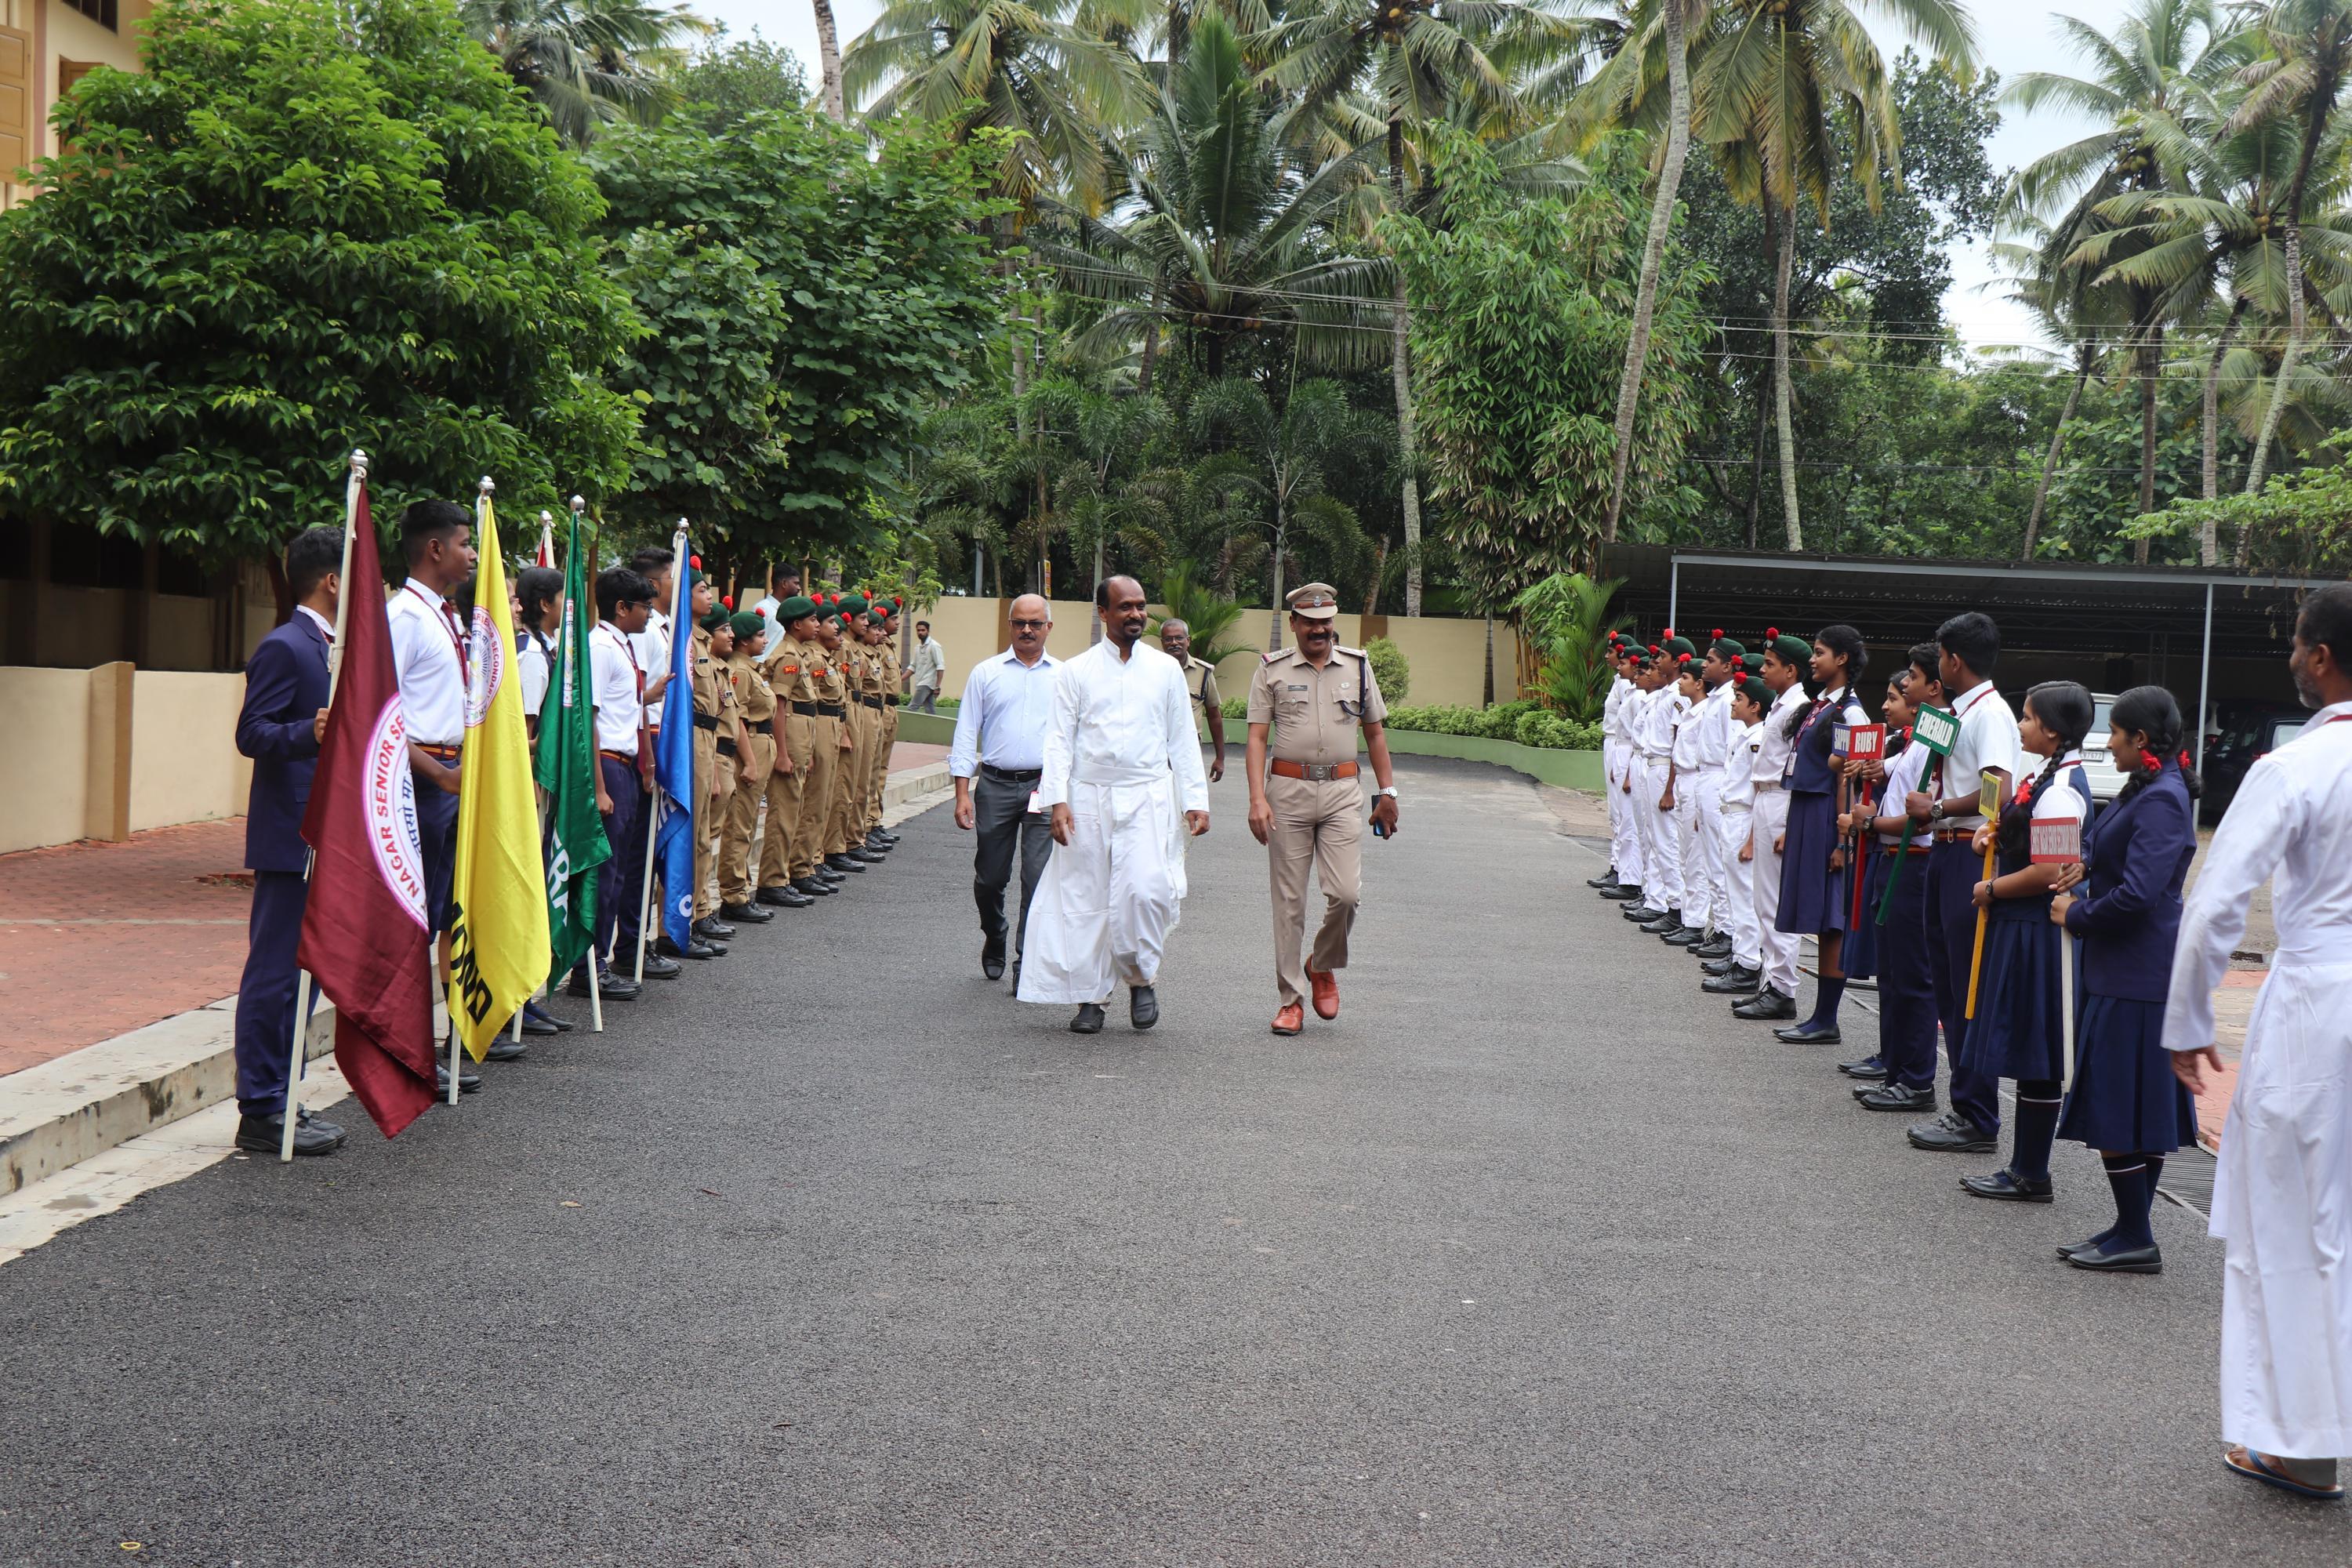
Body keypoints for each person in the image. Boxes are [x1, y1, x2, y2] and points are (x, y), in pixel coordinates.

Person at [2165, 583, 2352, 1501]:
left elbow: (2212, 908)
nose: (2290, 658)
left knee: (2294, 1218)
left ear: (2320, 656)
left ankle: (2301, 1441)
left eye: (2295, 645)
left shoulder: (2302, 764)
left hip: (2321, 1003)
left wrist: (2189, 1022)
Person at [2049, 684, 2201, 1271]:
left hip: (2137, 973)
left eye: (2115, 733)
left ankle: (2137, 1234)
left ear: (2141, 739)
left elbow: (2140, 893)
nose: (2106, 743)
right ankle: (2129, 1227)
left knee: (2123, 1102)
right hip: (2129, 969)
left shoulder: (2161, 799)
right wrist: (2085, 862)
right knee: (2135, 1104)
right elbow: (2116, 852)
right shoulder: (2152, 790)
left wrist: (2078, 913)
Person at [1018, 575, 1210, 1033]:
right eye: (1125, 607)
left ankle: (1141, 978)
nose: (1136, 615)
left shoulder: (1165, 670)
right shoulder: (1076, 671)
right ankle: (1091, 997)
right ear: (1103, 613)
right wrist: (1057, 801)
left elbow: (1182, 739)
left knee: (1145, 893)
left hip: (1149, 796)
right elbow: (1059, 741)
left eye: (1141, 607)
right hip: (1088, 798)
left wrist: (1194, 800)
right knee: (1088, 900)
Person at [230, 526, 347, 1156]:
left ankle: (282, 1094)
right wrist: (310, 729)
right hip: (290, 835)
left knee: (304, 975)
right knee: (275, 974)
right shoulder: (287, 645)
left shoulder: (331, 646)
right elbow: (253, 733)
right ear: (332, 580)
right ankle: (261, 1107)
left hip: (325, 833)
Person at [1955, 681, 2094, 1203]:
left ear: (2053, 730)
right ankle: (2023, 1167)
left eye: (2029, 718)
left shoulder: (2060, 789)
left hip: (2038, 933)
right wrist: (1995, 835)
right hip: (2021, 927)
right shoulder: (2046, 777)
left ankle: (2031, 1171)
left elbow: (2050, 869)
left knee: (2038, 1053)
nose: (2020, 726)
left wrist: (1990, 887)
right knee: (2029, 1049)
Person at [1244, 582, 1400, 1035]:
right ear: (1294, 624)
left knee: (1347, 894)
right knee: (1289, 903)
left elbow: (1374, 734)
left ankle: (1322, 963)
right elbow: (1256, 737)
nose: (1319, 630)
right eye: (1310, 623)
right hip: (1287, 793)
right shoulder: (1270, 670)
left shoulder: (1357, 665)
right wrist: (1257, 799)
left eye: (1326, 622)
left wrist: (1388, 794)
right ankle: (1290, 1000)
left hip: (1341, 792)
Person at [387, 499, 495, 1091]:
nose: (472, 553)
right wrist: (439, 773)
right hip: (428, 784)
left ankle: (443, 1034)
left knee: (449, 913)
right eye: (464, 543)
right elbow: (378, 718)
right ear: (435, 550)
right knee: (417, 920)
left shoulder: (447, 616)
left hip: (456, 778)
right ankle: (406, 1046)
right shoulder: (404, 616)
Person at [1904, 612, 2023, 1155]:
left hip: (1970, 853)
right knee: (1948, 983)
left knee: (1967, 986)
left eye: (1941, 655)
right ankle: (1963, 1105)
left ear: (1954, 660)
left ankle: (1977, 1114)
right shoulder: (1956, 712)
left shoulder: (1991, 714)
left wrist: (1941, 807)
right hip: (1944, 851)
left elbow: (1998, 788)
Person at [1848, 647, 1945, 1113]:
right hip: (1893, 858)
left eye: (1916, 676)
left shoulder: (1943, 730)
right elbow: (1904, 766)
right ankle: (1897, 1068)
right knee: (1892, 973)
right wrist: (1877, 767)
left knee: (1913, 976)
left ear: (1935, 686)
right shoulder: (1922, 731)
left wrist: (1869, 823)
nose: (1905, 685)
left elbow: (1923, 814)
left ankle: (1917, 1078)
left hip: (1914, 860)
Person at [1765, 626, 1870, 1044]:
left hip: (1830, 816)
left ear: (1841, 659)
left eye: (1820, 652)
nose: (1813, 659)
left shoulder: (1851, 712)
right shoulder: (1821, 705)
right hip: (1808, 810)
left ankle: (1827, 1018)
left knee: (1832, 919)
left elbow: (1852, 779)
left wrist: (1843, 843)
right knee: (1820, 919)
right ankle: (1820, 1017)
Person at [950, 593, 1061, 982]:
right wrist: (962, 792)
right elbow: (966, 733)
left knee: (1038, 877)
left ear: (1049, 627)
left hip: (1044, 788)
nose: (1026, 630)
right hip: (995, 785)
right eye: (1019, 623)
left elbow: (1076, 739)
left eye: (1035, 623)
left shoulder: (1065, 676)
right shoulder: (986, 673)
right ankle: (994, 934)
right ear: (1010, 626)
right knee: (990, 878)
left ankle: (1024, 962)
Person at [564, 567, 662, 1002]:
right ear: (621, 608)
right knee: (604, 874)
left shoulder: (623, 645)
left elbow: (628, 707)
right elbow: (591, 718)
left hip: (627, 766)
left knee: (620, 870)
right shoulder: (600, 647)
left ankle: (601, 959)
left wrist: (646, 763)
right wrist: (600, 788)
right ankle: (590, 966)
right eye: (644, 607)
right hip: (608, 767)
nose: (649, 614)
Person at [1732, 632, 1811, 1022]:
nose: (1761, 671)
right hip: (1765, 798)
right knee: (1764, 900)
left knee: (1776, 901)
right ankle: (1772, 981)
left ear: (1790, 670)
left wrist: (1790, 823)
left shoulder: (1801, 708)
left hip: (1782, 799)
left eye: (1769, 665)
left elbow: (1800, 766)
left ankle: (1783, 988)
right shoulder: (1783, 705)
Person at [1701, 674, 1769, 996]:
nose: (1733, 701)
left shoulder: (1759, 738)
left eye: (1739, 698)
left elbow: (1759, 792)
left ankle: (1748, 966)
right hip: (1732, 817)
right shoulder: (1745, 735)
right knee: (1735, 893)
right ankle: (1741, 958)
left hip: (1744, 820)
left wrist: (1752, 839)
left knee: (1745, 897)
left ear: (1755, 706)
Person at [752, 596, 819, 910]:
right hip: (789, 741)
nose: (817, 625)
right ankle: (773, 881)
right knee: (783, 813)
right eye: (813, 620)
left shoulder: (797, 654)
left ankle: (783, 876)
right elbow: (779, 706)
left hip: (800, 739)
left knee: (793, 810)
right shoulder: (787, 657)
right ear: (797, 624)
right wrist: (781, 753)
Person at [719, 611, 779, 922]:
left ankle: (740, 887)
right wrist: (751, 761)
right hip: (750, 745)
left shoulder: (750, 669)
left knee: (748, 821)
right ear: (745, 640)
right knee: (740, 824)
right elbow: (738, 719)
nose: (765, 640)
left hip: (761, 741)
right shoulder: (740, 671)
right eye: (759, 636)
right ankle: (733, 894)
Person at [1659, 652, 1712, 948]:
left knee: (1695, 858)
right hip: (1684, 779)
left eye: (1686, 678)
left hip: (1696, 779)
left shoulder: (1705, 712)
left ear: (1699, 683)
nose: (1681, 682)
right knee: (1684, 853)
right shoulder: (1691, 710)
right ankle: (1687, 917)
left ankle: (1694, 923)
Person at [1595, 637, 1646, 900]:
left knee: (1628, 817)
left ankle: (1629, 876)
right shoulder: (1622, 685)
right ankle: (1620, 867)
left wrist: (1624, 768)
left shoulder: (1633, 691)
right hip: (1618, 747)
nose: (1610, 659)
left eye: (1616, 656)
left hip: (1627, 750)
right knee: (1618, 814)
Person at [1160, 618, 1229, 785]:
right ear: (1162, 643)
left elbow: (1214, 715)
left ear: (1188, 641)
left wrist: (1220, 758)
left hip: (1188, 751)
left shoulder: (1204, 672)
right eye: (1168, 639)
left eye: (1179, 638)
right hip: (1156, 750)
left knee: (1187, 801)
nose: (1174, 643)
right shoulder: (1151, 670)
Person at [515, 564, 563, 741]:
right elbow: (526, 732)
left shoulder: (544, 649)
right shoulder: (533, 655)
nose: (570, 605)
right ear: (545, 604)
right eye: (564, 597)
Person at [752, 563, 804, 650]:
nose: (799, 588)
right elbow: (754, 646)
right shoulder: (763, 609)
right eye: (796, 583)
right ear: (784, 583)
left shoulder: (793, 612)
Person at [909, 619, 946, 715]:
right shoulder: (917, 648)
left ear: (928, 631)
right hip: (920, 682)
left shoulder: (934, 646)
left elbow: (940, 666)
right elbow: (913, 667)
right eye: (918, 630)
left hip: (927, 683)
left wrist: (938, 686)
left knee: (912, 707)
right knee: (930, 711)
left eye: (923, 630)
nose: (920, 632)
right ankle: (934, 729)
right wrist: (900, 679)